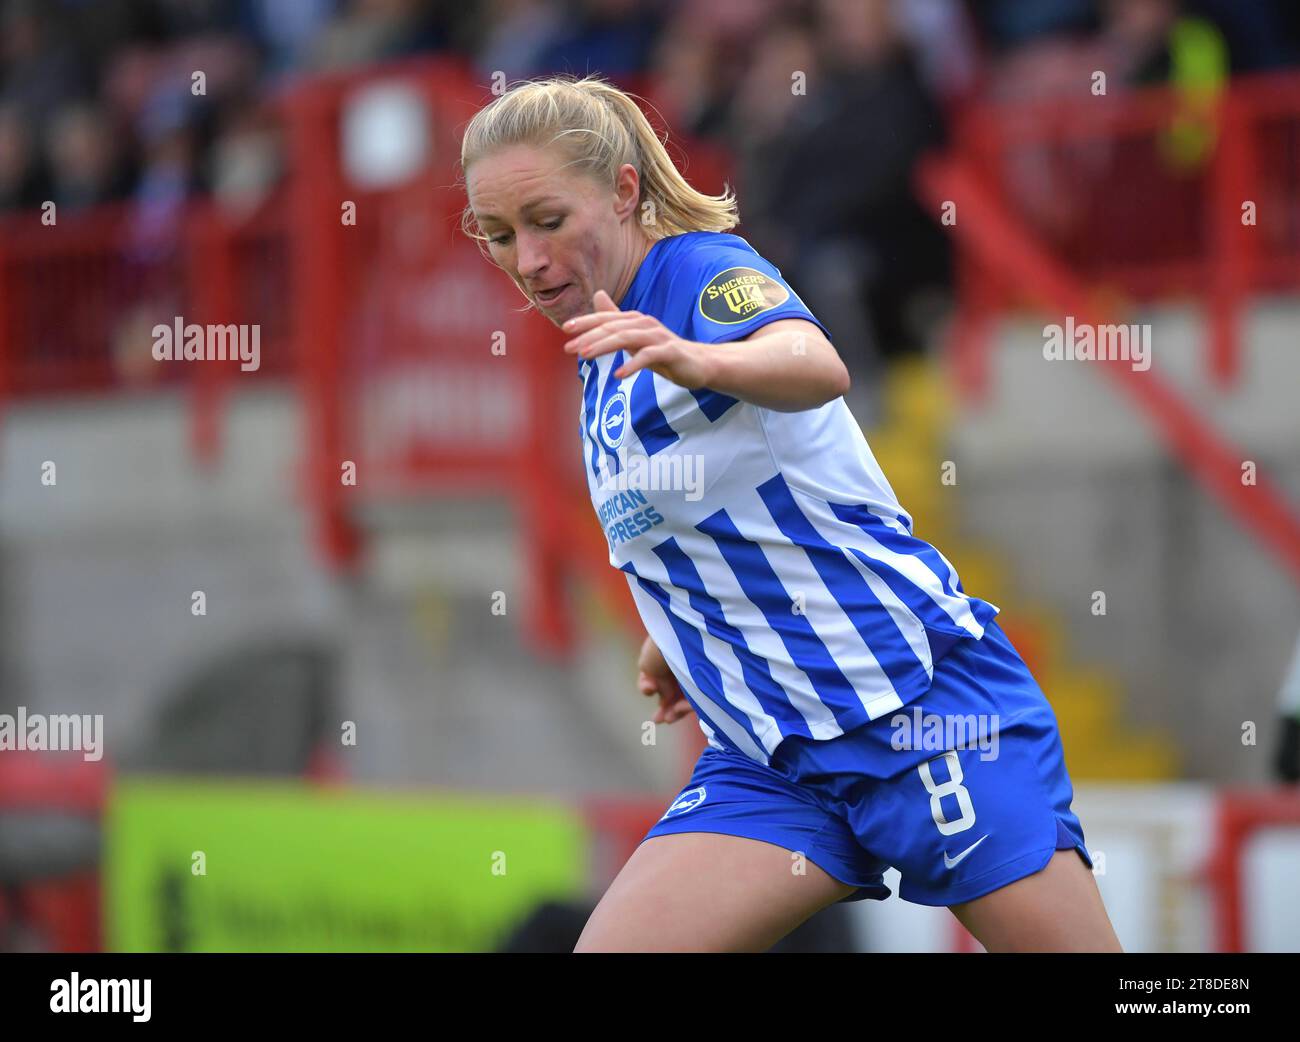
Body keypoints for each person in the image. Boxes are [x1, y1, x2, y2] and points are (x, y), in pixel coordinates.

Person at [459, 74, 1121, 953]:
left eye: (547, 220)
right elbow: (707, 507)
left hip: (916, 712)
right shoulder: (600, 345)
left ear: (623, 191)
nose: (528, 260)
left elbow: (813, 362)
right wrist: (678, 634)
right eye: (499, 235)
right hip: (773, 758)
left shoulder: (692, 272)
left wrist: (700, 357)